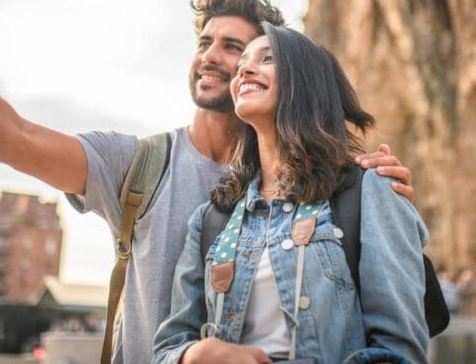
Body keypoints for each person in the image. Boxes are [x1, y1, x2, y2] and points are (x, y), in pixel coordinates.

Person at [0, 0, 417, 364]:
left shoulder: (340, 190)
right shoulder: (142, 168)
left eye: (237, 48)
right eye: (206, 42)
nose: (214, 57)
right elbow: (9, 138)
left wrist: (371, 196)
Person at [153, 24, 429, 364]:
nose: (245, 70)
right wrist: (194, 355)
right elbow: (167, 347)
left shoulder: (371, 189)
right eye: (241, 67)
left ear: (307, 81)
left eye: (267, 58)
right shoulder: (210, 220)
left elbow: (400, 350)